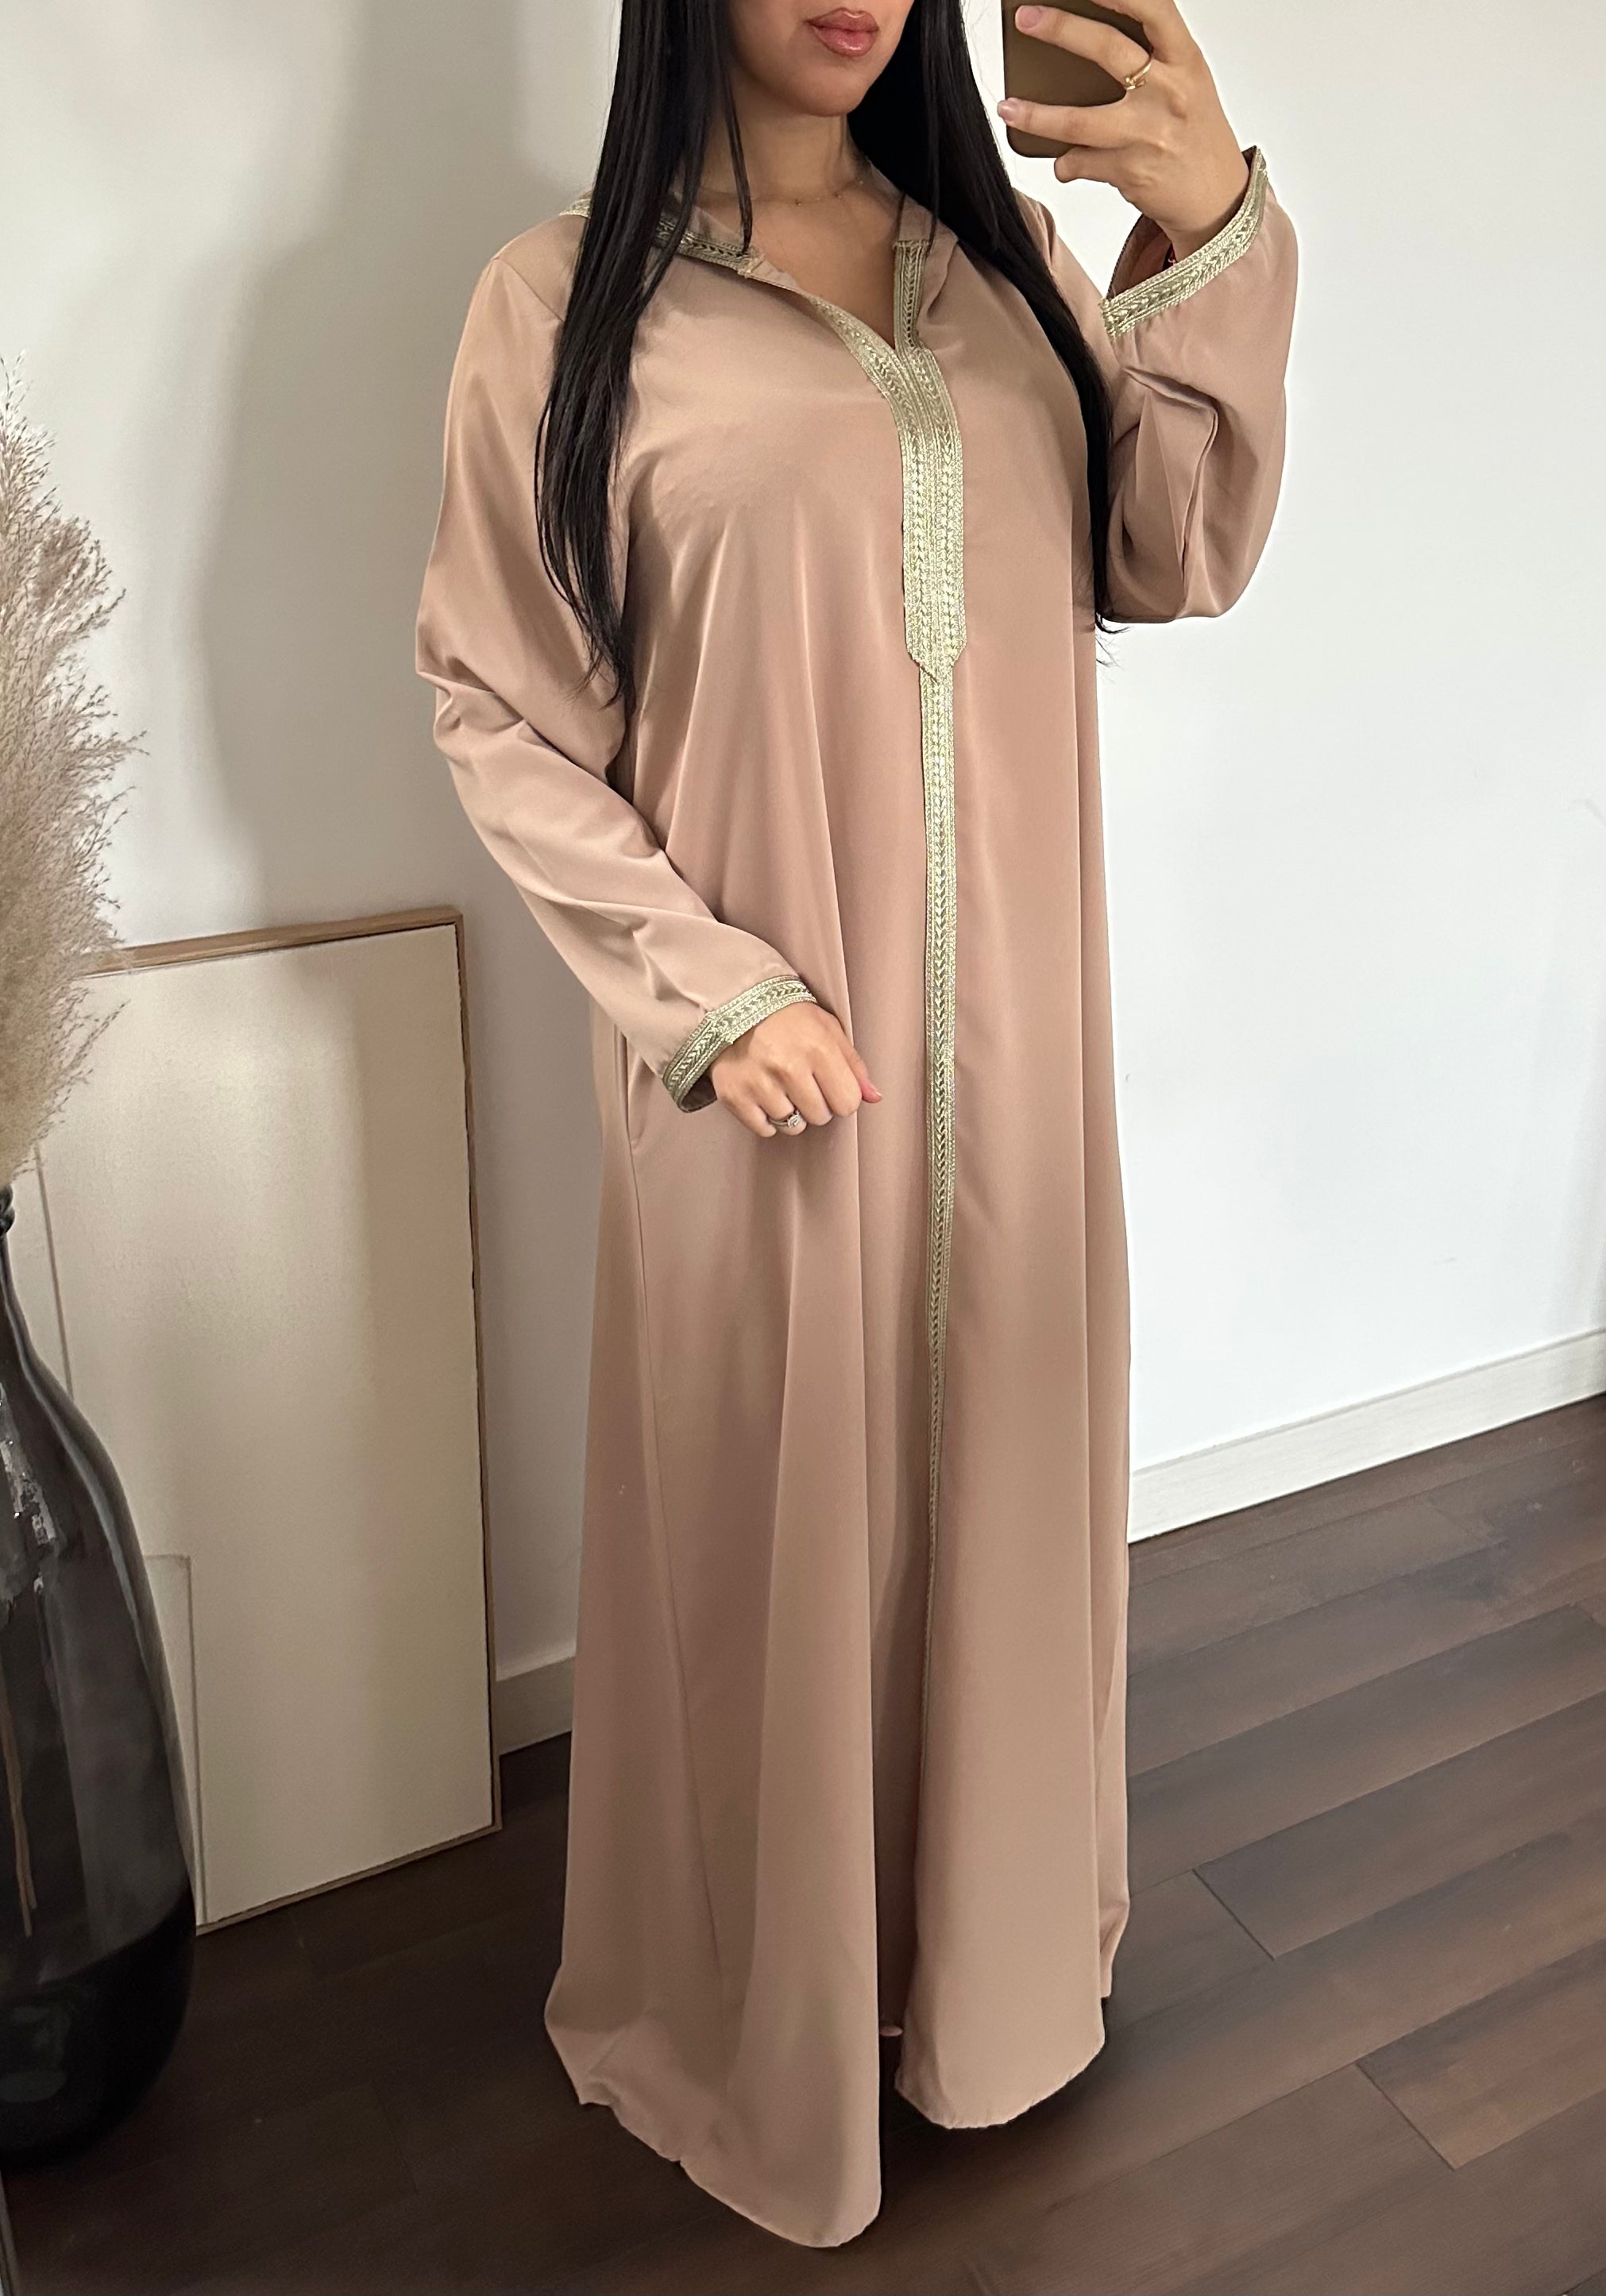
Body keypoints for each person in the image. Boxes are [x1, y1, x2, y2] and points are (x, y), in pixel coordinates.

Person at [416, 0, 1295, 2249]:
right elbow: (498, 703)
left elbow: (1176, 546)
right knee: (770, 1541)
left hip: (1022, 1062)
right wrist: (707, 991)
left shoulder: (1000, 273)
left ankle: (984, 1983)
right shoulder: (562, 305)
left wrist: (1206, 224)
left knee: (999, 1488)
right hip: (768, 1082)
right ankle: (768, 2024)